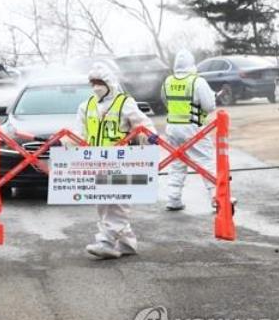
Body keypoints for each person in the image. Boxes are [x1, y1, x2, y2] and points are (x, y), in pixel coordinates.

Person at [76, 64, 157, 259]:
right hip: (95, 161)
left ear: (110, 83)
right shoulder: (85, 106)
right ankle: (127, 243)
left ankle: (106, 241)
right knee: (103, 204)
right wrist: (65, 149)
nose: (96, 87)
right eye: (93, 83)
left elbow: (144, 125)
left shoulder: (124, 103)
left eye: (100, 82)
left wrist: (151, 140)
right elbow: (78, 134)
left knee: (118, 203)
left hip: (122, 162)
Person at [162, 49, 220, 211]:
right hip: (193, 128)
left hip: (172, 128)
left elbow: (165, 101)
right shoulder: (197, 81)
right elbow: (209, 106)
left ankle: (173, 199)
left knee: (177, 162)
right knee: (205, 162)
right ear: (192, 64)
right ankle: (216, 198)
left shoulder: (168, 81)